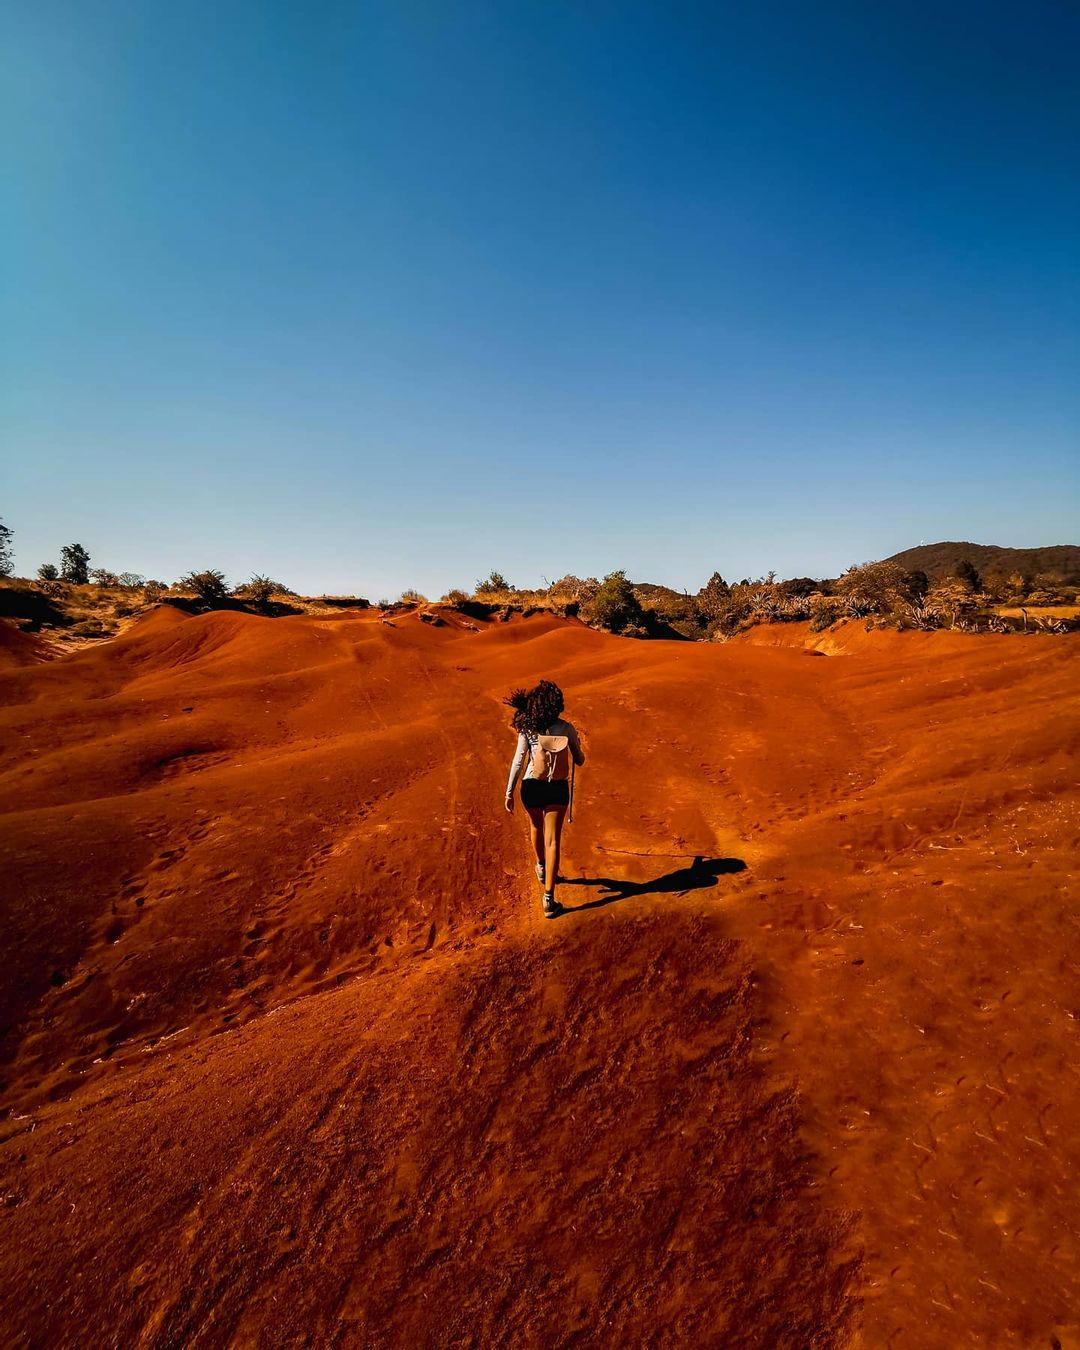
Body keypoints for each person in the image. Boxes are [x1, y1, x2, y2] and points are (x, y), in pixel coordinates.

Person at [504, 679, 585, 918]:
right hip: (556, 789)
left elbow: (519, 761)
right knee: (553, 841)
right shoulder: (567, 728)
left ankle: (541, 866)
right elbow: (579, 760)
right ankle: (549, 898)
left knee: (535, 825)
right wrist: (575, 745)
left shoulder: (528, 728)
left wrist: (508, 792)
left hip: (531, 787)